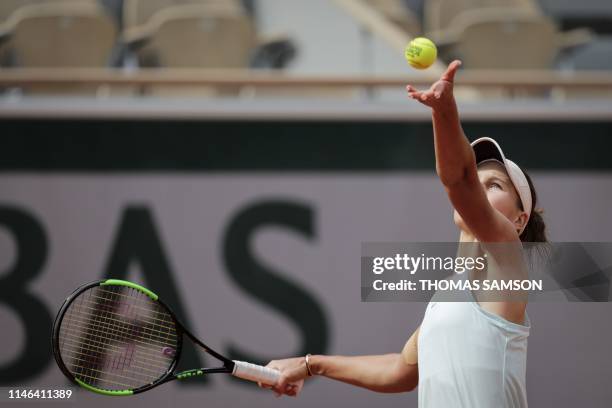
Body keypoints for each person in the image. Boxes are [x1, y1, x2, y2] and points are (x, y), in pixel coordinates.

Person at [260, 60, 547, 407]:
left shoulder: (507, 263)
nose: (482, 188)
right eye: (480, 180)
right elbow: (399, 371)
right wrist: (310, 365)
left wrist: (443, 112)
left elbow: (460, 180)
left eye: (496, 184)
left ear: (519, 220)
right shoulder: (446, 297)